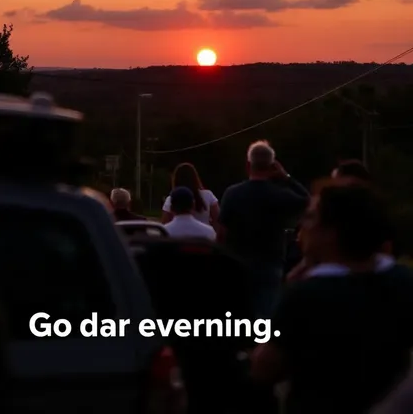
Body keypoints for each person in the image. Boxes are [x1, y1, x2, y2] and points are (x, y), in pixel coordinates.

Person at [250, 179, 413, 414]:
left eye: (310, 217)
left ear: (331, 232)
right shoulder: (402, 280)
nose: (301, 226)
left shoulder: (309, 296)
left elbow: (264, 369)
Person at [217, 140, 309, 319]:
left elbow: (221, 232)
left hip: (237, 262)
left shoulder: (232, 194)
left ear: (248, 165)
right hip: (270, 262)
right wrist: (287, 178)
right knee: (266, 315)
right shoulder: (279, 195)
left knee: (237, 316)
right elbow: (306, 200)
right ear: (272, 166)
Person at [162, 163, 219, 228]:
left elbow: (164, 225)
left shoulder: (171, 199)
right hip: (204, 236)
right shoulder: (208, 195)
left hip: (179, 236)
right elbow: (218, 219)